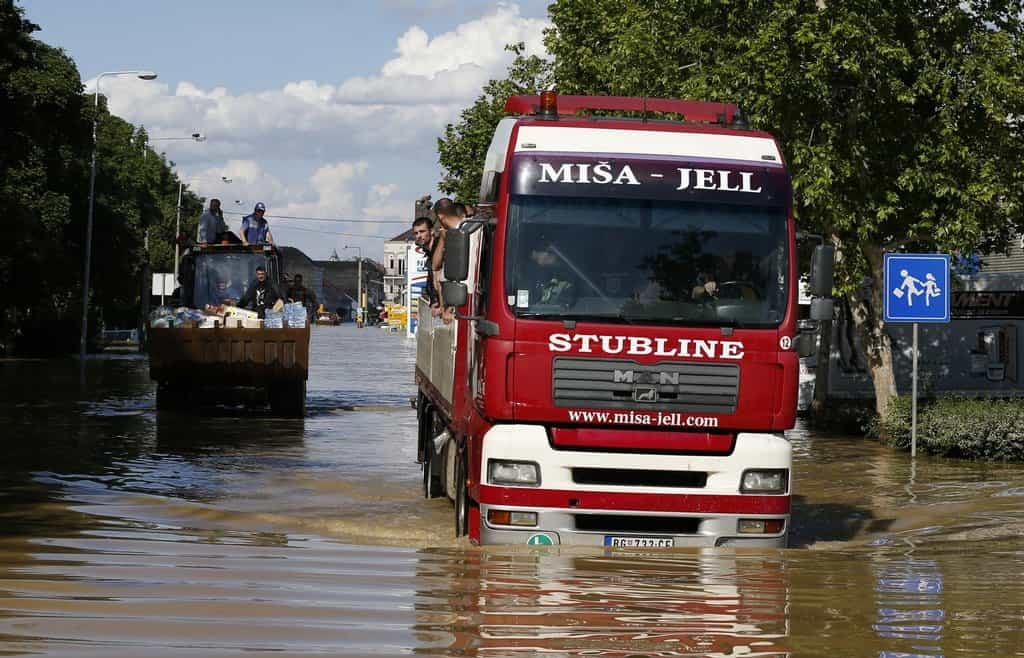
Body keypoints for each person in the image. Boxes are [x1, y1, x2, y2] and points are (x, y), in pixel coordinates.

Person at [431, 198, 462, 324]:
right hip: (452, 305)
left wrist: (447, 309)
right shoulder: (449, 234)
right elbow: (435, 266)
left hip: (457, 306)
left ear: (440, 216)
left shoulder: (466, 231)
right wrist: (443, 240)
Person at [412, 217, 441, 316]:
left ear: (432, 231)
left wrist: (440, 304)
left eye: (422, 231)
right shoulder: (428, 252)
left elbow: (439, 280)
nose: (419, 236)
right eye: (416, 233)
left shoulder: (439, 250)